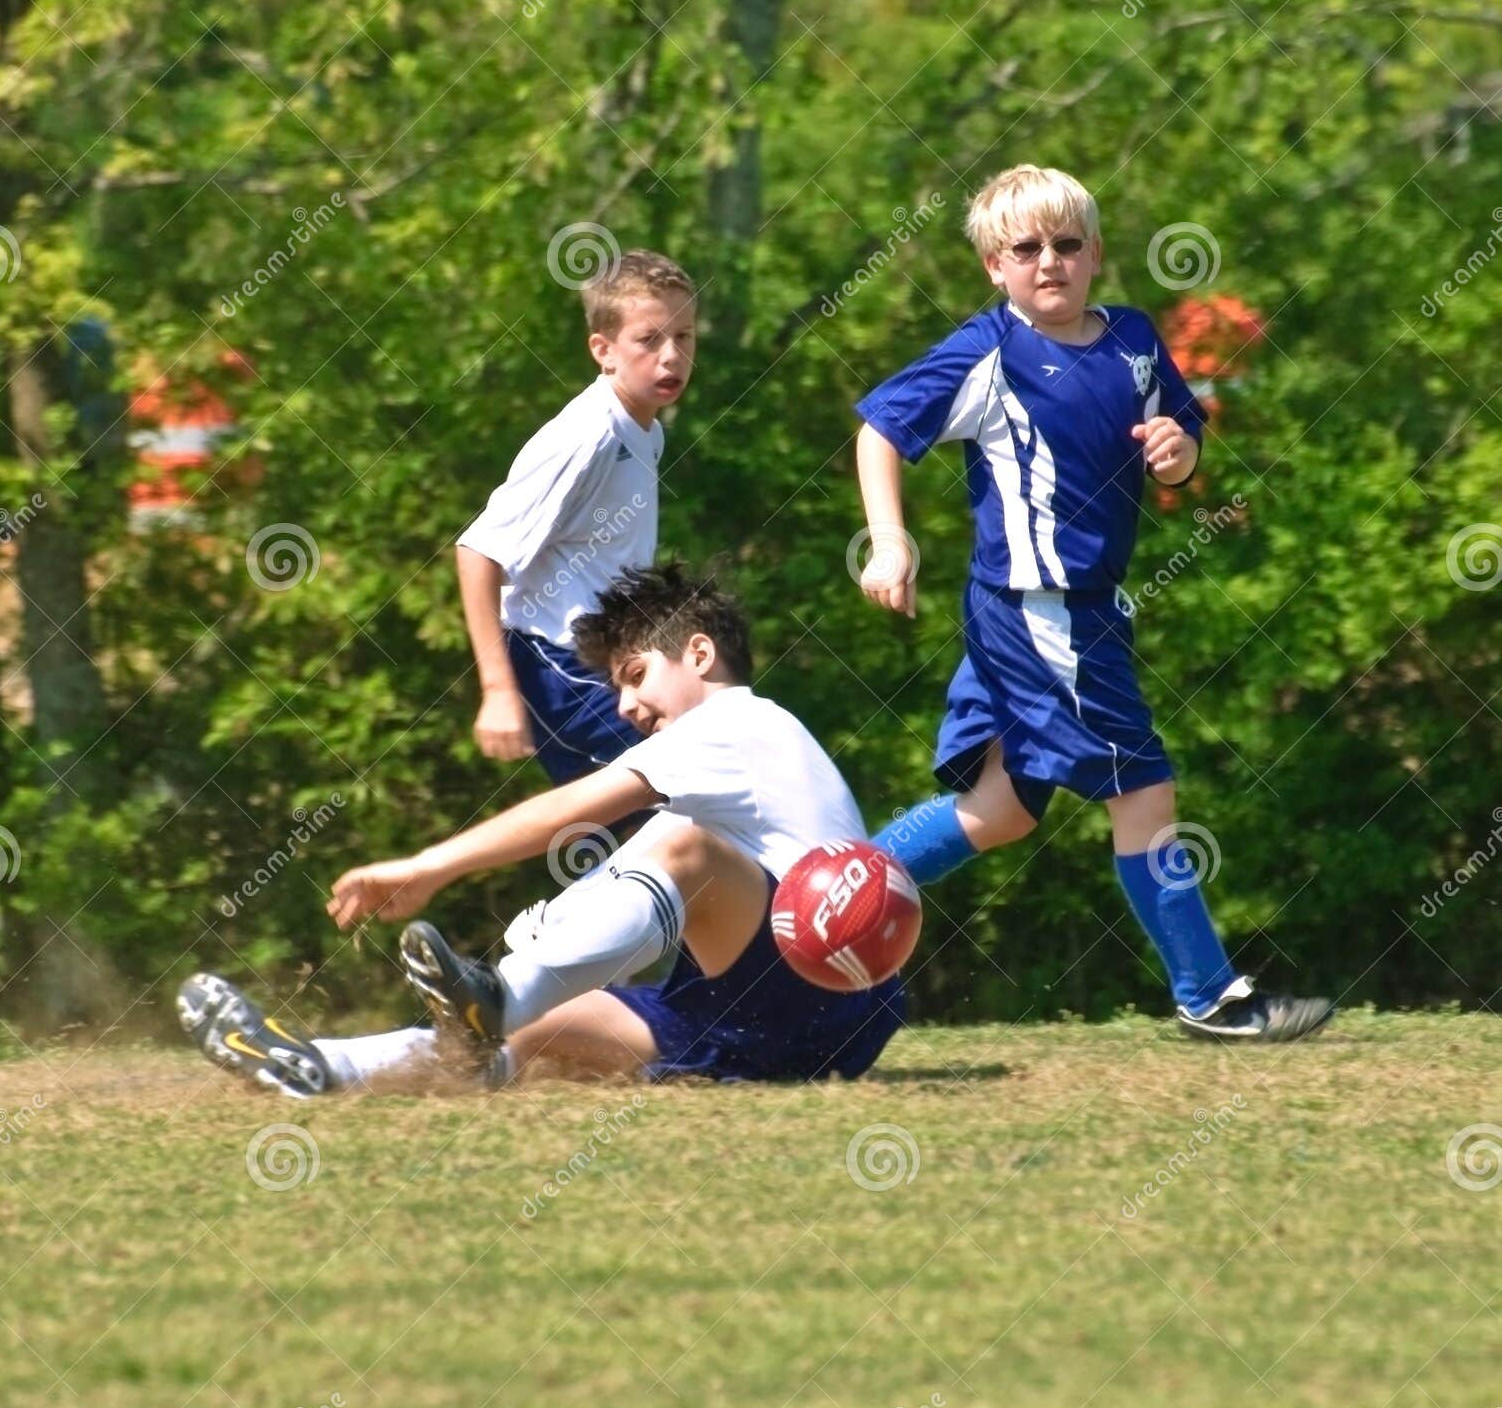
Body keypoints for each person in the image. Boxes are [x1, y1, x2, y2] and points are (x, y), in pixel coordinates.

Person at [856, 164, 1331, 1043]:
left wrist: (1175, 450)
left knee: (998, 812)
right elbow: (882, 426)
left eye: (1067, 245)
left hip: (1080, 611)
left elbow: (1184, 449)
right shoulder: (986, 351)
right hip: (1041, 610)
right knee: (1144, 790)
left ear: (1096, 254)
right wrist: (890, 540)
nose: (1050, 262)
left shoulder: (1136, 341)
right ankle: (1210, 996)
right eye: (1025, 248)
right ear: (994, 267)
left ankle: (826, 897)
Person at [177, 564, 904, 1095]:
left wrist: (430, 866)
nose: (625, 706)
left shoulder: (739, 719)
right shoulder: (742, 746)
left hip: (815, 994)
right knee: (523, 1040)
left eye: (635, 674)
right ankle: (315, 1067)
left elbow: (577, 807)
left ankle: (498, 996)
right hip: (770, 1028)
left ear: (701, 655)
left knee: (682, 845)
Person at [456, 249, 696, 781]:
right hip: (555, 666)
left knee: (644, 837)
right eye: (649, 339)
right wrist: (497, 691)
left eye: (684, 337)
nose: (671, 356)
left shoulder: (645, 430)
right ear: (602, 350)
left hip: (596, 669)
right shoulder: (589, 434)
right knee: (699, 794)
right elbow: (478, 552)